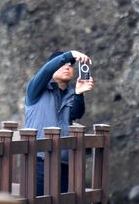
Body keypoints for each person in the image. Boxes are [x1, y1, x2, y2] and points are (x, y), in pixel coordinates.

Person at [24, 50, 94, 195]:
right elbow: (46, 70)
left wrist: (79, 94)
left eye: (71, 65)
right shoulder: (36, 90)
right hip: (39, 162)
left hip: (64, 164)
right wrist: (69, 55)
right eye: (63, 64)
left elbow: (76, 114)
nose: (67, 66)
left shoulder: (70, 94)